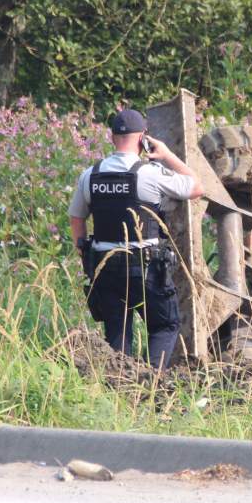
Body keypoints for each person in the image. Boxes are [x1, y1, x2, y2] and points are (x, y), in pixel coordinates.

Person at [68, 109, 204, 368]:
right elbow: (196, 187)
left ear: (112, 138)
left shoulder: (90, 175)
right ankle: (150, 382)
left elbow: (77, 219)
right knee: (165, 325)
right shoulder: (149, 173)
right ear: (143, 138)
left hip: (104, 267)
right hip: (145, 268)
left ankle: (118, 382)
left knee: (117, 333)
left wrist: (86, 254)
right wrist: (167, 154)